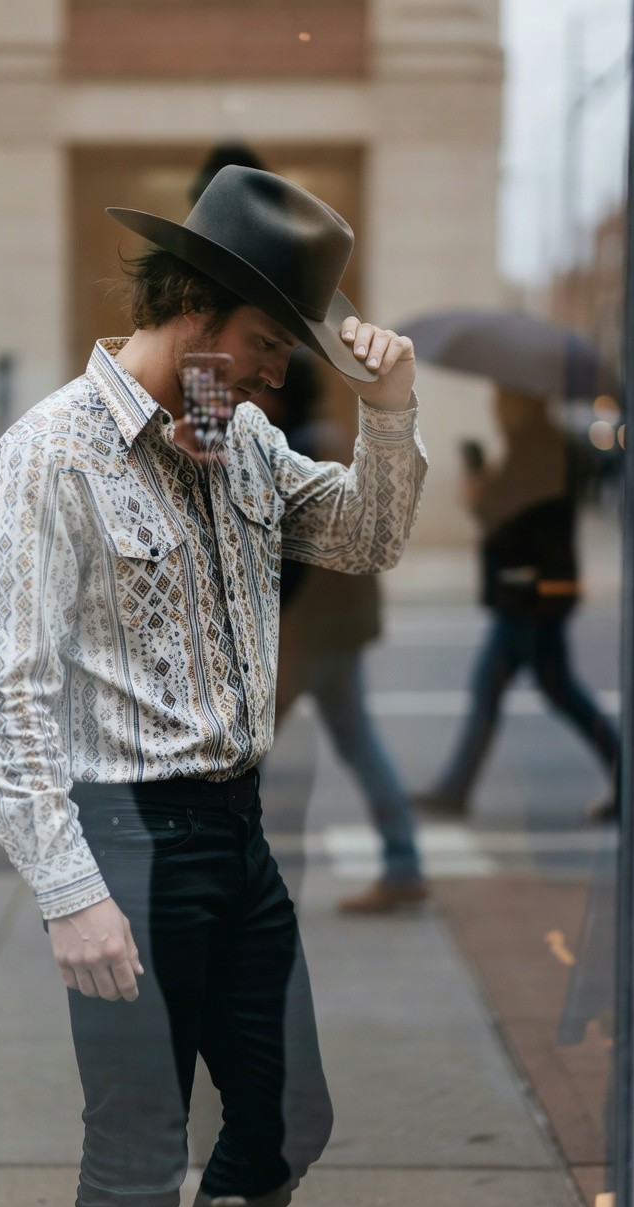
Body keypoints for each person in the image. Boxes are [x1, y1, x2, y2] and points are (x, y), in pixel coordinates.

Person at [0, 164, 427, 1207]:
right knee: (135, 1163)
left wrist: (390, 411)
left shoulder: (242, 439)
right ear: (189, 303)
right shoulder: (50, 456)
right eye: (268, 340)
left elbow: (366, 540)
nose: (278, 372)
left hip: (239, 837)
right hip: (128, 844)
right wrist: (70, 895)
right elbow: (7, 701)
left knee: (284, 1123)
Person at [257, 351, 427, 915]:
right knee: (357, 742)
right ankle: (403, 863)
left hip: (303, 635)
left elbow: (287, 561)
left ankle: (220, 875)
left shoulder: (296, 446)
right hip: (335, 631)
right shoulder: (323, 433)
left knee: (239, 759)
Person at [415, 387, 619, 820]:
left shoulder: (537, 450)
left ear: (524, 404)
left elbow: (513, 525)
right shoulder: (541, 447)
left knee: (513, 689)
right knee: (538, 689)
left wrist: (480, 496)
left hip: (533, 595)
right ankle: (456, 788)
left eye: (504, 402)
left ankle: (456, 789)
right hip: (537, 592)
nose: (497, 409)